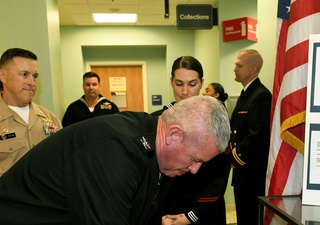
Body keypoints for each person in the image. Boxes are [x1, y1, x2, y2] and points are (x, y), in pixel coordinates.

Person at [0, 95, 230, 225]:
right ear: (174, 135)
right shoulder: (114, 151)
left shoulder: (155, 150)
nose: (194, 170)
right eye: (194, 159)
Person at [152, 56, 231, 225]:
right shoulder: (159, 120)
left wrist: (192, 215)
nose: (185, 91)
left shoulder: (215, 121)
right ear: (171, 81)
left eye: (192, 84)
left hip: (205, 210)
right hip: (168, 209)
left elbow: (220, 176)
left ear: (202, 82)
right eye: (179, 84)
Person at [0, 48, 62, 176]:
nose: (31, 82)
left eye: (35, 76)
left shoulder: (50, 118)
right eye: (24, 74)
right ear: (3, 76)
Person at [230, 49, 272, 225]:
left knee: (250, 218)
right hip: (242, 173)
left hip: (252, 173)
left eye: (239, 65)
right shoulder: (247, 93)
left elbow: (257, 137)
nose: (234, 68)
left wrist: (233, 156)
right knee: (243, 218)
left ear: (252, 69)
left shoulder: (260, 95)